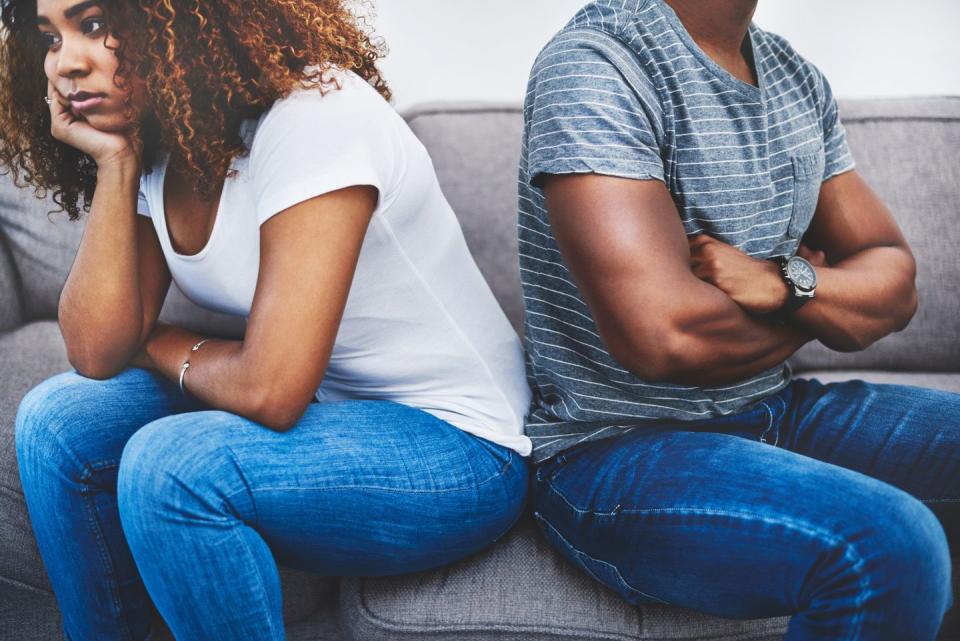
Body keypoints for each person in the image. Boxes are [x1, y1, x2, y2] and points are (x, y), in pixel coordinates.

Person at [1, 0, 532, 639]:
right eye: (49, 39)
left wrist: (155, 342)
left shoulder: (315, 116)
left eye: (92, 25)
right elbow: (94, 349)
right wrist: (117, 165)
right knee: (55, 420)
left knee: (171, 466)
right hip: (329, 411)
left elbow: (269, 390)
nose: (67, 64)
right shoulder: (163, 137)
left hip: (461, 443)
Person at [517, 0, 958, 639]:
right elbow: (665, 336)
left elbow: (894, 281)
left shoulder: (794, 75)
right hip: (614, 448)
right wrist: (828, 302)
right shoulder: (597, 64)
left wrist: (783, 283)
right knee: (888, 544)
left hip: (776, 410)